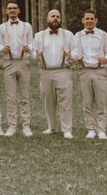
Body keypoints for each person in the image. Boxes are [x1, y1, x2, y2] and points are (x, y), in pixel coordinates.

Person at [32, 9, 74, 139]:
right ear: (47, 19)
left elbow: (75, 50)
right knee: (48, 100)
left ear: (60, 19)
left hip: (63, 70)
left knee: (65, 101)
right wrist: (36, 56)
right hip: (45, 72)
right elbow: (33, 52)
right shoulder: (39, 35)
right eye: (52, 16)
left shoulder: (68, 35)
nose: (55, 18)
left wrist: (71, 55)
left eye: (57, 17)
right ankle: (51, 127)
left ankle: (67, 129)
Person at [71, 10, 107, 140]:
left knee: (101, 101)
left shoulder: (103, 35)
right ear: (83, 20)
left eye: (91, 19)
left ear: (96, 20)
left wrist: (106, 59)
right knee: (87, 102)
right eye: (87, 19)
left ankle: (101, 130)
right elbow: (73, 51)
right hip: (84, 71)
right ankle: (91, 129)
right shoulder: (77, 35)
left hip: (99, 71)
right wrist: (75, 56)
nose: (89, 21)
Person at [0, 1, 33, 137]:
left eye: (14, 8)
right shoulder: (1, 27)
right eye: (9, 8)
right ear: (6, 11)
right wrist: (2, 49)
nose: (12, 10)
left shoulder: (27, 26)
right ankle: (12, 125)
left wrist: (29, 48)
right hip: (8, 63)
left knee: (25, 96)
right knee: (10, 96)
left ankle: (26, 125)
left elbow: (31, 42)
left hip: (23, 62)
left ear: (18, 10)